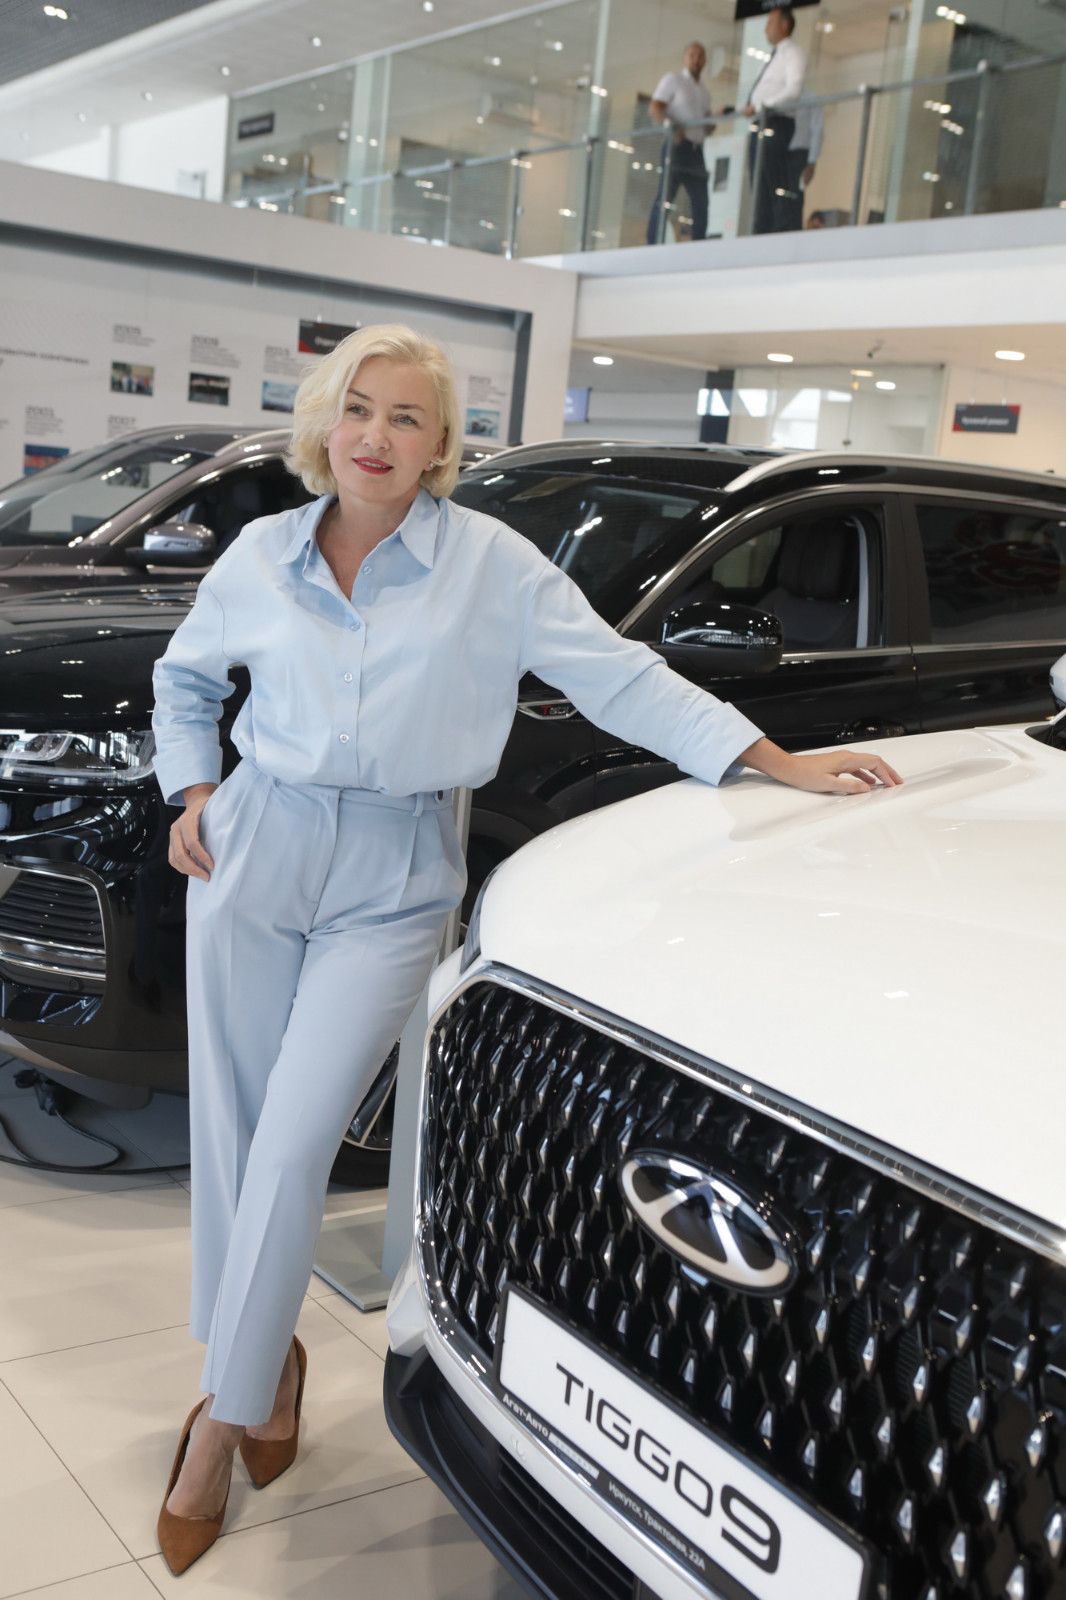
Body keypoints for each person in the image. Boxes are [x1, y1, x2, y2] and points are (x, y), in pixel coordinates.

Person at [151, 322, 902, 1575]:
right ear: (325, 420)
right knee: (227, 1135)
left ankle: (220, 1422)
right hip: (253, 845)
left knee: (290, 1145)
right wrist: (191, 791)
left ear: (440, 444)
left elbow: (619, 676)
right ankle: (260, 1367)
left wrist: (770, 758)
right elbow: (185, 680)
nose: (376, 436)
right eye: (358, 408)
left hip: (393, 871)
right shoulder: (263, 553)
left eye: (406, 417)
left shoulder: (490, 565)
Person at [744, 6, 807, 235]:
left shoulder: (793, 53)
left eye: (770, 23)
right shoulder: (770, 58)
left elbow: (794, 90)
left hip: (776, 124)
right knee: (759, 188)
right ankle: (760, 234)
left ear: (784, 25)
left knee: (775, 183)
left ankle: (776, 234)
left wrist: (763, 106)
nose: (765, 29)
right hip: (759, 124)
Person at [646, 41, 712, 245]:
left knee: (701, 202)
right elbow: (655, 108)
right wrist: (672, 127)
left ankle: (698, 244)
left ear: (705, 61)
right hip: (677, 147)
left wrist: (715, 119)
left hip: (696, 150)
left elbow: (706, 125)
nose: (696, 60)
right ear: (684, 59)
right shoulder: (674, 80)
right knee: (665, 198)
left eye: (700, 56)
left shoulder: (705, 91)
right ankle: (653, 243)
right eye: (692, 55)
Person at [783, 94, 824, 232]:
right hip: (779, 152)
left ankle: (791, 230)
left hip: (799, 154)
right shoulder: (779, 97)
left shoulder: (809, 98)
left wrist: (811, 163)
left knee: (794, 199)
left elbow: (817, 131)